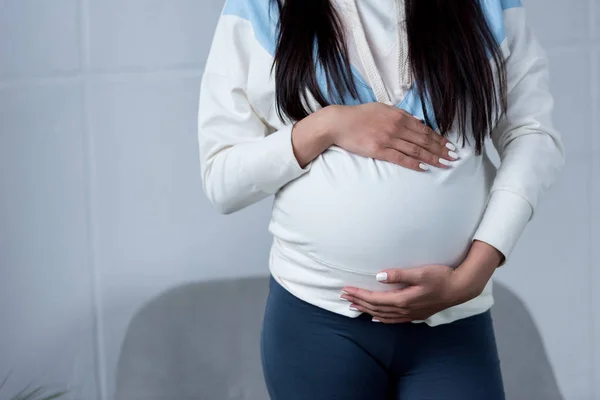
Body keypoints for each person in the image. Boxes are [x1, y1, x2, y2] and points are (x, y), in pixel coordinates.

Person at [197, 0, 565, 398]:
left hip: (453, 317)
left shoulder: (486, 5)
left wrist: (473, 274)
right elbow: (222, 180)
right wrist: (326, 126)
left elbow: (532, 133)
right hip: (319, 322)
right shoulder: (262, 8)